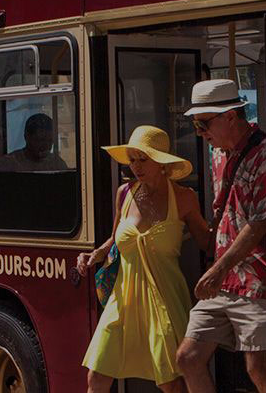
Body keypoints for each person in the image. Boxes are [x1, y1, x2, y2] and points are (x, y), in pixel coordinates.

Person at [78, 126, 215, 393]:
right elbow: (115, 239)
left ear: (162, 162)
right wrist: (96, 254)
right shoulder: (124, 193)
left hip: (163, 298)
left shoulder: (184, 198)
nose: (136, 166)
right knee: (96, 376)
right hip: (123, 299)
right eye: (132, 159)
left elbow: (207, 242)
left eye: (143, 159)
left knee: (170, 383)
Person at [175, 79, 266, 393]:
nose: (200, 133)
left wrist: (217, 269)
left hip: (257, 279)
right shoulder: (217, 155)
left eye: (203, 124)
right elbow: (225, 211)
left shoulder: (264, 155)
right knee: (188, 357)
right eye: (195, 125)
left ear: (231, 116)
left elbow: (259, 223)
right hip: (224, 279)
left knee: (259, 369)